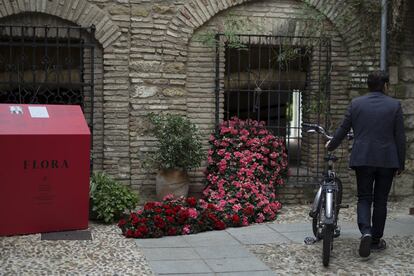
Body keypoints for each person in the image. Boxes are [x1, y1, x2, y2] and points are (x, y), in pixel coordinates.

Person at [326, 71, 406, 258]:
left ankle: (366, 232)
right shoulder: (394, 106)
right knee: (380, 200)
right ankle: (376, 240)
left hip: (363, 158)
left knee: (364, 197)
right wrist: (400, 163)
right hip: (387, 160)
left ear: (368, 85)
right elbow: (400, 137)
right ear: (385, 86)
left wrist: (331, 146)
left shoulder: (356, 104)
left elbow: (343, 129)